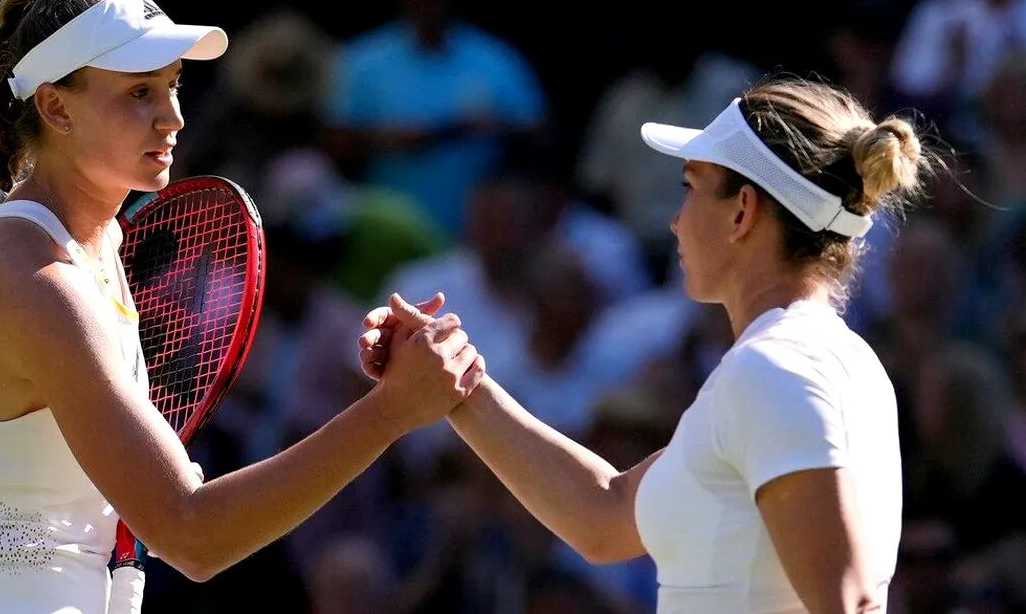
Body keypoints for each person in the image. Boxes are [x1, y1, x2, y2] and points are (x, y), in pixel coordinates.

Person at [0, 0, 483, 613]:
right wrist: (393, 410)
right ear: (57, 107)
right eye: (139, 92)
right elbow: (191, 534)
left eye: (173, 85)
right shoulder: (33, 278)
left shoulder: (97, 253)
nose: (173, 115)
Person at [361, 77, 937, 613]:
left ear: (742, 212)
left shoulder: (776, 368)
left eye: (690, 189)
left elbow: (848, 601)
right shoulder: (810, 361)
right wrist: (455, 380)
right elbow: (603, 517)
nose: (674, 221)